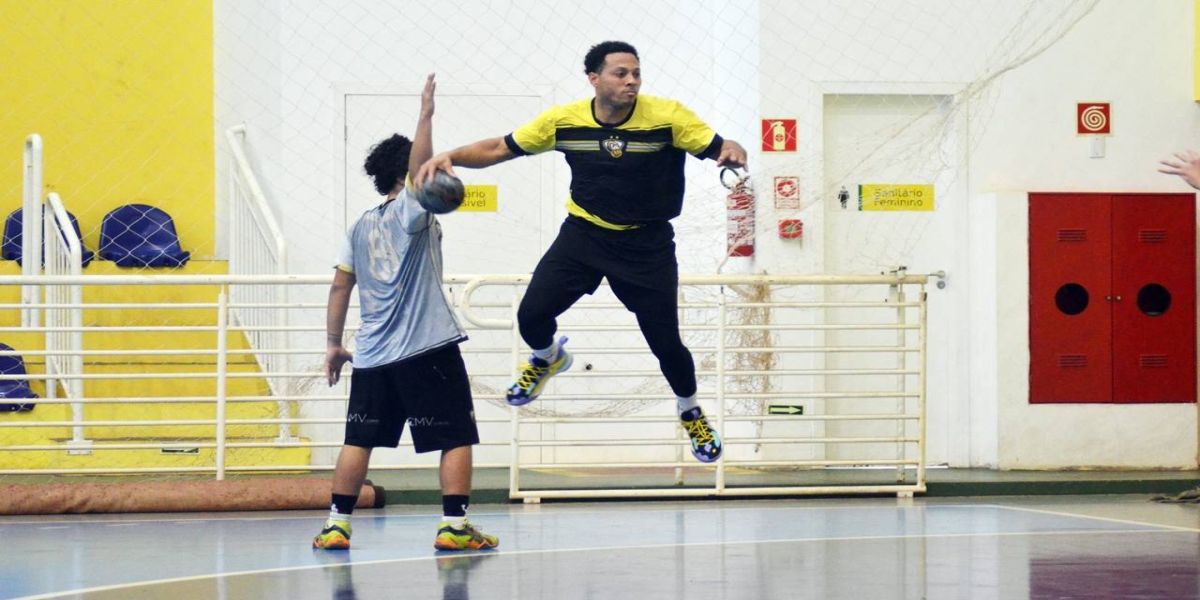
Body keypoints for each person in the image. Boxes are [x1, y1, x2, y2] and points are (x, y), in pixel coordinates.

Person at [417, 41, 748, 463]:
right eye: (620, 74)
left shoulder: (668, 117)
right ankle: (549, 357)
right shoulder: (564, 122)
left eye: (636, 73)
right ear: (594, 79)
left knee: (667, 344)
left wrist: (731, 150)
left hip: (646, 245)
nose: (632, 81)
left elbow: (718, 145)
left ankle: (690, 410)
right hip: (584, 236)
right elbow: (500, 148)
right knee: (531, 316)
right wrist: (451, 156)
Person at [313, 73, 498, 551]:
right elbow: (421, 172)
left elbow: (339, 286)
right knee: (455, 435)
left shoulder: (359, 226)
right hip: (424, 348)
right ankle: (455, 529)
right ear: (410, 173)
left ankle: (337, 525)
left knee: (359, 440)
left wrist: (334, 345)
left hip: (373, 355)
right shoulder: (409, 212)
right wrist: (426, 117)